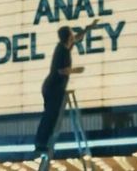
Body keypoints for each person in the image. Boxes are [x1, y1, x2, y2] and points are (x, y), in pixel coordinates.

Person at [34, 19, 99, 153]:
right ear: (68, 37)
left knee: (51, 116)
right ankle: (41, 144)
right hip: (53, 88)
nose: (73, 36)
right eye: (71, 34)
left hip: (53, 87)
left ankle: (43, 143)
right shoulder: (61, 50)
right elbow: (61, 70)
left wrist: (89, 28)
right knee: (50, 116)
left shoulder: (66, 46)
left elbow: (78, 37)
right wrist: (77, 70)